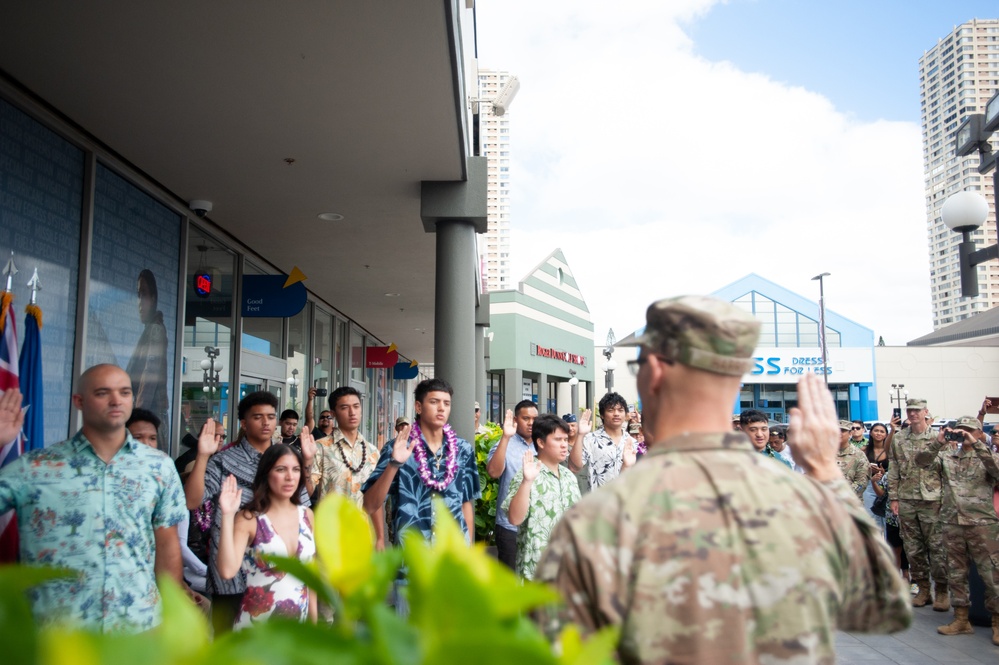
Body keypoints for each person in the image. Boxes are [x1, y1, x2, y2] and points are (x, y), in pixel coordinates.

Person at [534, 295, 911, 663]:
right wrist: (826, 473)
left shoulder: (598, 522)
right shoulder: (805, 500)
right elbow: (883, 607)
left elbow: (554, 649)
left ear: (657, 373)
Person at [0, 365, 187, 633]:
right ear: (79, 401)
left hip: (137, 624)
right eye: (103, 393)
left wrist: (172, 612)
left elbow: (167, 542)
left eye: (124, 392)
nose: (116, 400)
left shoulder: (159, 467)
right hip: (57, 630)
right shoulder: (36, 467)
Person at [185, 390, 315, 635]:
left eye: (271, 416)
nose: (266, 422)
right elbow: (192, 501)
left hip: (282, 583)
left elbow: (303, 507)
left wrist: (306, 463)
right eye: (258, 417)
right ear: (244, 423)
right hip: (231, 579)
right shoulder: (224, 461)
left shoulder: (286, 459)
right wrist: (202, 456)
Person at [362, 378, 480, 545]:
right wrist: (394, 464)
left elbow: (466, 503)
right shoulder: (396, 448)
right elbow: (369, 505)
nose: (441, 408)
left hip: (452, 556)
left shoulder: (463, 449)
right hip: (411, 558)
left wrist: (468, 551)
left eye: (447, 403)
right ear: (418, 407)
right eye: (434, 402)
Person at [915, 416, 999, 644]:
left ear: (980, 433)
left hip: (982, 524)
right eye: (960, 430)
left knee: (992, 576)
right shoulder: (947, 455)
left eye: (969, 430)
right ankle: (961, 619)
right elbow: (921, 462)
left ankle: (997, 622)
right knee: (956, 573)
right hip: (952, 522)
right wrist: (938, 442)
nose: (964, 434)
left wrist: (978, 444)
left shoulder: (988, 456)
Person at [216, 443, 317, 628]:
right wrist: (227, 515)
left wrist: (314, 623)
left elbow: (310, 574)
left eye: (295, 470)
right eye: (281, 469)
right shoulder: (250, 519)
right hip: (256, 633)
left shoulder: (307, 515)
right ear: (266, 474)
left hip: (298, 633)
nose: (290, 477)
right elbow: (227, 570)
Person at [501, 414, 587, 580]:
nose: (564, 445)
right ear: (540, 442)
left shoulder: (569, 477)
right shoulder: (526, 474)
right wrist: (527, 482)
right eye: (557, 440)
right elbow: (514, 519)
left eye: (565, 439)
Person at [886, 397, 948, 610]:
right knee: (913, 548)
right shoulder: (900, 438)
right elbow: (893, 468)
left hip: (933, 500)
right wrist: (893, 497)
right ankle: (923, 589)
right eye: (909, 410)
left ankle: (941, 590)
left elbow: (948, 470)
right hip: (907, 498)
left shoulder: (938, 438)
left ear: (925, 412)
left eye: (917, 410)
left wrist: (946, 499)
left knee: (937, 547)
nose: (912, 414)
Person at [485, 400, 538, 569]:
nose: (531, 423)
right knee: (510, 584)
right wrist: (505, 437)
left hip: (539, 526)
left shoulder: (544, 444)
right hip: (510, 527)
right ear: (515, 419)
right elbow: (493, 472)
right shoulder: (504, 444)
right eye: (526, 418)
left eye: (535, 418)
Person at [310, 387, 379, 507]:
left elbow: (376, 502)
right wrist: (306, 460)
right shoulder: (320, 448)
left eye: (356, 406)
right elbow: (307, 491)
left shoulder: (372, 452)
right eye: (345, 408)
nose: (352, 412)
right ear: (333, 414)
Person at [126, 269, 168, 431]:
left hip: (150, 418)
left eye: (144, 295)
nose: (140, 302)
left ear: (153, 298)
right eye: (138, 295)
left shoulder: (155, 330)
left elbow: (148, 380)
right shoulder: (151, 329)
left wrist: (137, 417)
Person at [568, 392, 637, 490]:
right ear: (602, 415)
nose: (616, 413)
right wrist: (580, 435)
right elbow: (574, 467)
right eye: (611, 410)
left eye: (620, 410)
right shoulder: (590, 439)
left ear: (625, 414)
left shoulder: (633, 442)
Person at [864, 422, 890, 529]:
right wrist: (868, 469)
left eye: (882, 431)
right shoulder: (864, 450)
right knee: (870, 517)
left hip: (885, 484)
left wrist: (884, 473)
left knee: (886, 518)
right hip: (869, 485)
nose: (878, 433)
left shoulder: (889, 451)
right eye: (876, 430)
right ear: (870, 433)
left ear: (886, 435)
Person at [836, 419, 871, 500]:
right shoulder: (825, 454)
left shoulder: (859, 455)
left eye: (843, 431)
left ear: (850, 434)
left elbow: (862, 482)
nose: (839, 433)